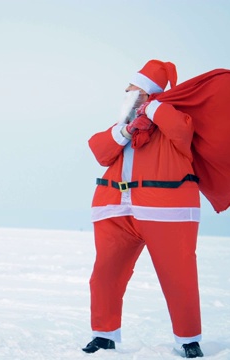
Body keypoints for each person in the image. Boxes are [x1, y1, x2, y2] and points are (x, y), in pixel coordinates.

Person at [83, 60, 204, 358]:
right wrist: (126, 130)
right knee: (105, 275)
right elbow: (99, 150)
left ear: (146, 94)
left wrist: (152, 110)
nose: (125, 93)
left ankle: (188, 340)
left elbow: (182, 132)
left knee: (178, 276)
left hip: (165, 209)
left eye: (131, 90)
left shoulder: (173, 120)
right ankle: (104, 335)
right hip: (115, 209)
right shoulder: (122, 128)